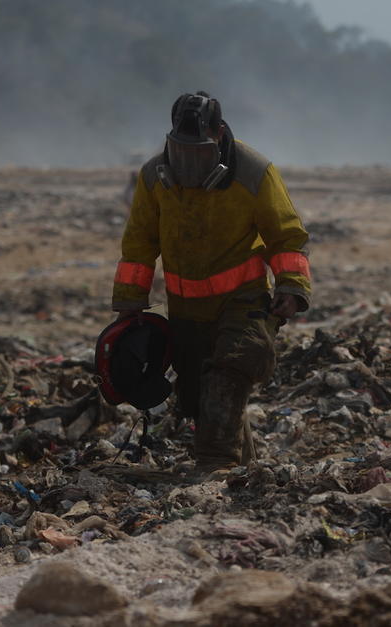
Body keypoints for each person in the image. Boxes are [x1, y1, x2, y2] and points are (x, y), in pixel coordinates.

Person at [110, 91, 311, 474]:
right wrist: (128, 302)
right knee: (204, 396)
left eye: (198, 150)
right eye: (181, 149)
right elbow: (139, 243)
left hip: (244, 300)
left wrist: (292, 286)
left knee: (231, 367)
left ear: (219, 135)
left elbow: (286, 235)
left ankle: (214, 470)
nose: (188, 162)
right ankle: (247, 474)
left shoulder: (253, 173)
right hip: (187, 311)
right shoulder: (155, 177)